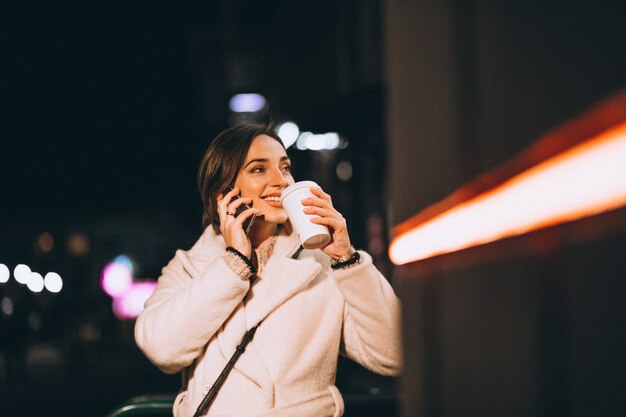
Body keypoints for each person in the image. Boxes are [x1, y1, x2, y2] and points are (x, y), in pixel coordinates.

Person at [135, 124, 402, 417]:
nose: (281, 180)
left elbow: (393, 354)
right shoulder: (190, 266)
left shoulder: (323, 265)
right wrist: (234, 263)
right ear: (222, 190)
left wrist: (347, 260)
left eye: (285, 168)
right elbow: (161, 350)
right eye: (259, 170)